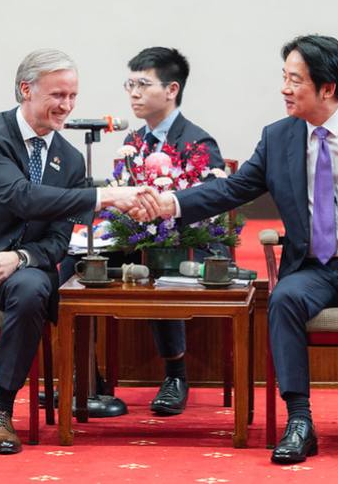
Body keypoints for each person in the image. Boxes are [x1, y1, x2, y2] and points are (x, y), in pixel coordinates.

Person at [150, 35, 338, 463]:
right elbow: (235, 188)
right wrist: (174, 204)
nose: (284, 88)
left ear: (327, 88)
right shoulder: (278, 137)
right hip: (311, 265)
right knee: (282, 299)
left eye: (294, 80)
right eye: (284, 77)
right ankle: (299, 420)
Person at [0, 49, 157, 455]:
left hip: (19, 265)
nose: (67, 105)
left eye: (73, 96)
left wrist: (19, 258)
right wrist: (107, 196)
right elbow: (20, 197)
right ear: (26, 89)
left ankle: (2, 410)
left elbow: (58, 241)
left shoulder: (70, 160)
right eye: (58, 94)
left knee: (33, 290)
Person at [123, 46, 225, 415]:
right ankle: (86, 378)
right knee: (80, 263)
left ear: (171, 90)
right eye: (129, 84)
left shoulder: (198, 142)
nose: (133, 93)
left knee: (162, 262)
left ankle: (176, 375)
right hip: (142, 236)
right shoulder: (132, 142)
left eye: (143, 84)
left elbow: (213, 208)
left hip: (192, 241)